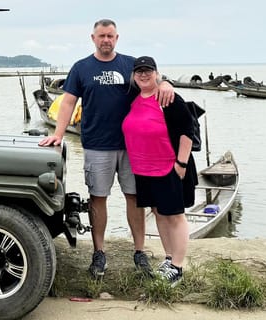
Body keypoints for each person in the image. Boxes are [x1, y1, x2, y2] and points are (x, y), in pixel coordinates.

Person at [38, 19, 174, 278]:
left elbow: (153, 81)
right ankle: (99, 252)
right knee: (98, 197)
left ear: (117, 38)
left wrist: (166, 84)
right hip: (97, 144)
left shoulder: (130, 64)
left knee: (135, 197)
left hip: (132, 146)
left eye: (110, 36)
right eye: (101, 36)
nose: (106, 40)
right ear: (93, 38)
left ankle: (139, 251)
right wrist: (57, 134)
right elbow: (67, 103)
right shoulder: (81, 68)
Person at [122, 56, 197, 285]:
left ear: (156, 73)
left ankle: (178, 267)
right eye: (139, 71)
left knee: (175, 215)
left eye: (148, 71)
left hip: (169, 166)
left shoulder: (168, 98)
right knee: (159, 213)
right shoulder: (134, 98)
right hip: (143, 169)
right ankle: (169, 258)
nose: (144, 75)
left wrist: (181, 163)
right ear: (134, 76)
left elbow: (187, 130)